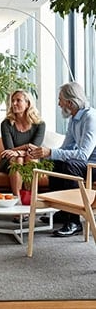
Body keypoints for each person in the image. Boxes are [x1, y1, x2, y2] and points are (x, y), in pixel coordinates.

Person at [29, 82, 96, 237]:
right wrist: (46, 153)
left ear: (70, 102)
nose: (59, 104)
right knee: (56, 162)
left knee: (70, 166)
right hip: (85, 163)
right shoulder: (74, 119)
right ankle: (64, 211)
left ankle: (74, 221)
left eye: (60, 100)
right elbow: (66, 147)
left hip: (93, 165)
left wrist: (50, 151)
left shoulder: (90, 118)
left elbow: (83, 155)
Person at [0, 90, 46, 222]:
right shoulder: (6, 124)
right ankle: (18, 203)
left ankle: (29, 203)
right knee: (17, 159)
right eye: (12, 101)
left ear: (28, 103)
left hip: (31, 157)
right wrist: (25, 148)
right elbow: (9, 150)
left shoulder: (39, 124)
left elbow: (35, 148)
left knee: (30, 158)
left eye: (18, 100)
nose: (14, 103)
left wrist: (21, 150)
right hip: (10, 161)